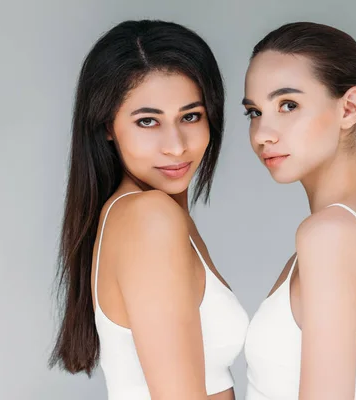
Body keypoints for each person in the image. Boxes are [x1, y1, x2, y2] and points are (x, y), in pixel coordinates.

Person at [50, 20, 248, 400]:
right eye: (147, 121)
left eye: (191, 116)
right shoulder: (150, 218)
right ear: (107, 125)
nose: (175, 146)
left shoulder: (152, 217)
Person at [242, 22, 356, 400]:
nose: (261, 134)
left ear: (349, 108)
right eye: (254, 112)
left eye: (288, 105)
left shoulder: (330, 234)